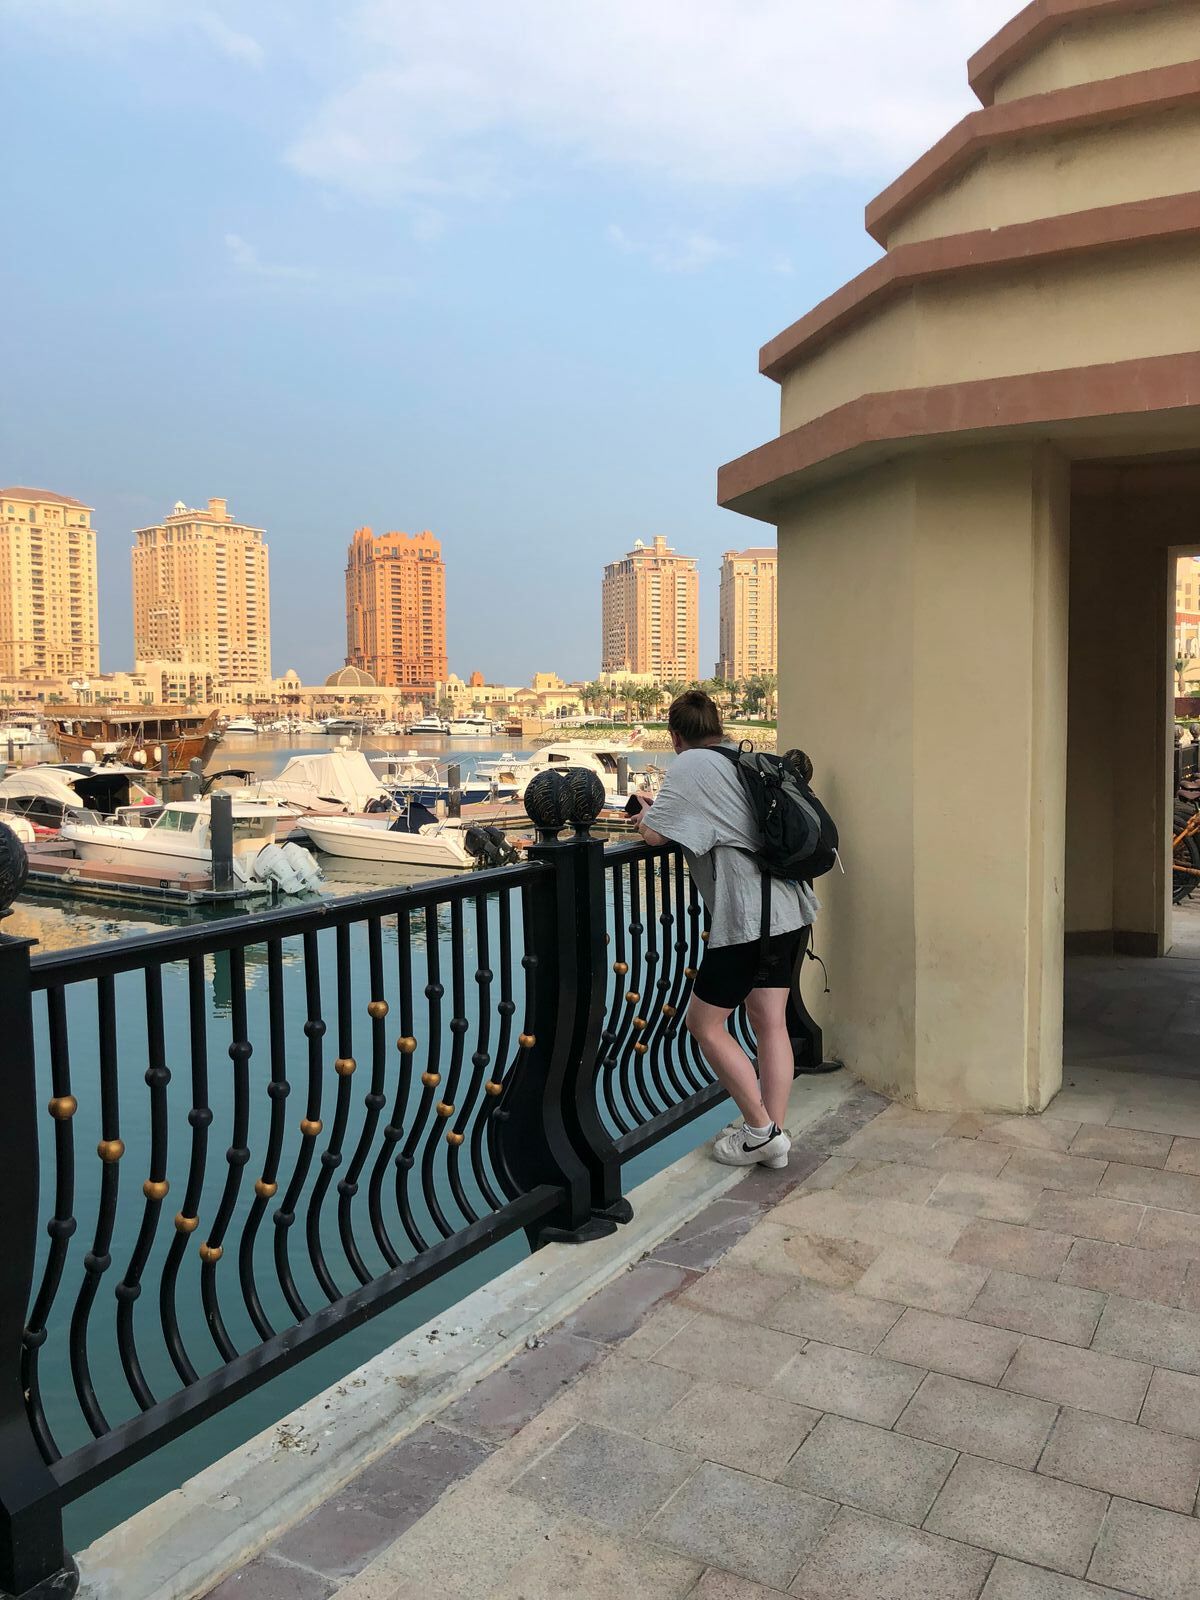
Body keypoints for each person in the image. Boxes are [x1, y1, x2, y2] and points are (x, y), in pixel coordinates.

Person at [633, 690, 818, 1169]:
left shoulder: (689, 766)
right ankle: (771, 1137)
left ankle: (759, 1129)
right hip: (789, 908)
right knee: (770, 1021)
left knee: (703, 1024)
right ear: (718, 726)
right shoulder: (743, 758)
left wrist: (646, 815)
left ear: (676, 737)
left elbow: (656, 835)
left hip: (747, 919)